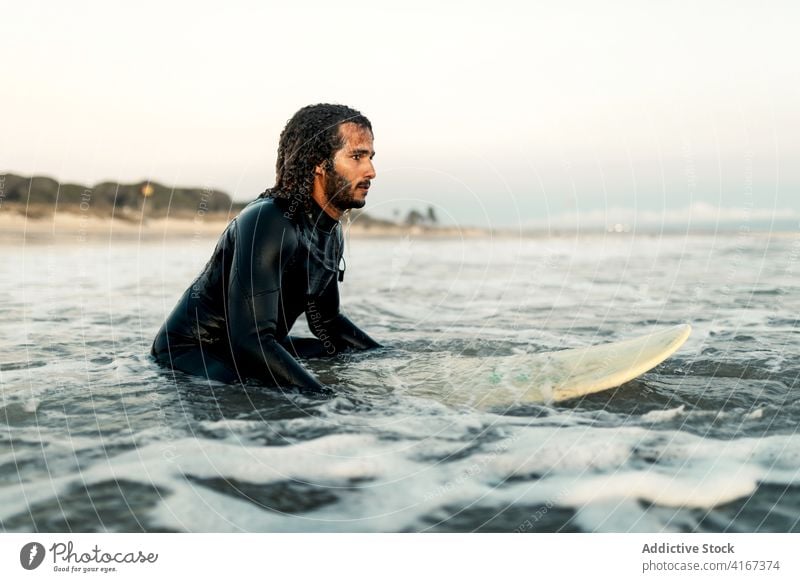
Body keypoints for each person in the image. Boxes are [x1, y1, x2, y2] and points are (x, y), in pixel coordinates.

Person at [151, 104, 381, 392]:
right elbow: (252, 340)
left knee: (338, 354)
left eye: (370, 157)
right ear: (319, 163)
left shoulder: (330, 231)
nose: (371, 171)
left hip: (247, 345)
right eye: (357, 156)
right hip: (193, 353)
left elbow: (328, 321)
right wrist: (326, 399)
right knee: (272, 393)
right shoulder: (269, 221)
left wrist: (386, 357)